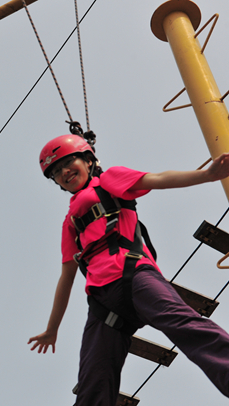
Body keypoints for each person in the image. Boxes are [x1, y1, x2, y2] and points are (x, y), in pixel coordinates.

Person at [28, 134, 229, 405]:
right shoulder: (71, 221)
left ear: (88, 160)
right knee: (93, 378)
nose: (63, 173)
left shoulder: (108, 181)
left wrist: (206, 175)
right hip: (102, 303)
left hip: (133, 275)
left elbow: (157, 179)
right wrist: (52, 329)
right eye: (55, 172)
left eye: (67, 163)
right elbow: (66, 277)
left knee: (185, 325)